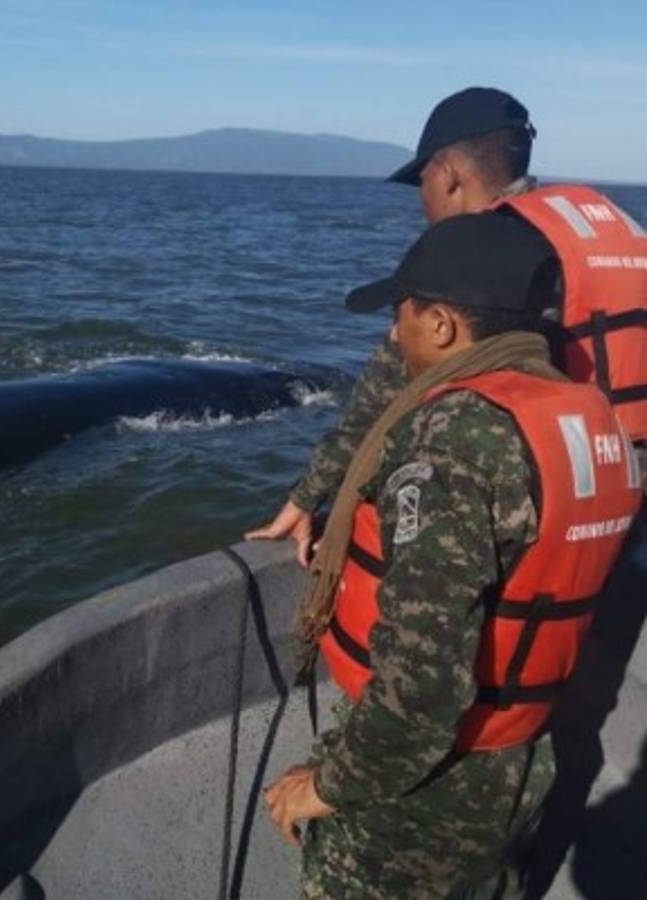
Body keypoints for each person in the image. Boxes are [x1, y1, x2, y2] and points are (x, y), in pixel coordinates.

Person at [261, 212, 642, 898]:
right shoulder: (584, 410)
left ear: (440, 326)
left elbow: (423, 684)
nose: (392, 335)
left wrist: (325, 785)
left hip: (426, 799)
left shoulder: (456, 435)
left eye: (400, 315)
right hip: (520, 757)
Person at [248, 86, 647, 563]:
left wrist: (306, 498)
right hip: (624, 486)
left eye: (422, 180)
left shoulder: (471, 264)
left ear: (448, 175)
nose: (422, 198)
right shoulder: (611, 229)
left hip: (551, 503)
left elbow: (380, 399)